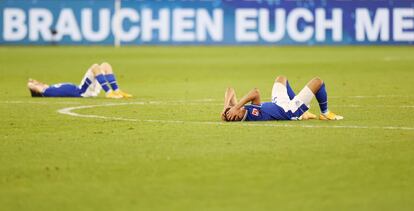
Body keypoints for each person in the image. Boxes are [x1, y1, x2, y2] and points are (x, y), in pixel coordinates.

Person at [221, 76, 343, 121]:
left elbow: (230, 90)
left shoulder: (240, 110)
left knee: (281, 79)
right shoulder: (253, 114)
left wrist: (226, 107)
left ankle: (305, 112)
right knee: (317, 82)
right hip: (290, 111)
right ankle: (325, 113)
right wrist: (236, 107)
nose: (236, 113)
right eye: (236, 116)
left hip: (279, 103)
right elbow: (255, 92)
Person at [27, 62, 132, 99]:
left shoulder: (50, 88)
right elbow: (31, 85)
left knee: (105, 65)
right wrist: (32, 84)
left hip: (86, 90)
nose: (38, 82)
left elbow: (37, 84)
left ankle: (117, 91)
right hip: (82, 91)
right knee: (95, 66)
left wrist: (36, 82)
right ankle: (109, 93)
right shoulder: (47, 92)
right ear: (37, 91)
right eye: (37, 84)